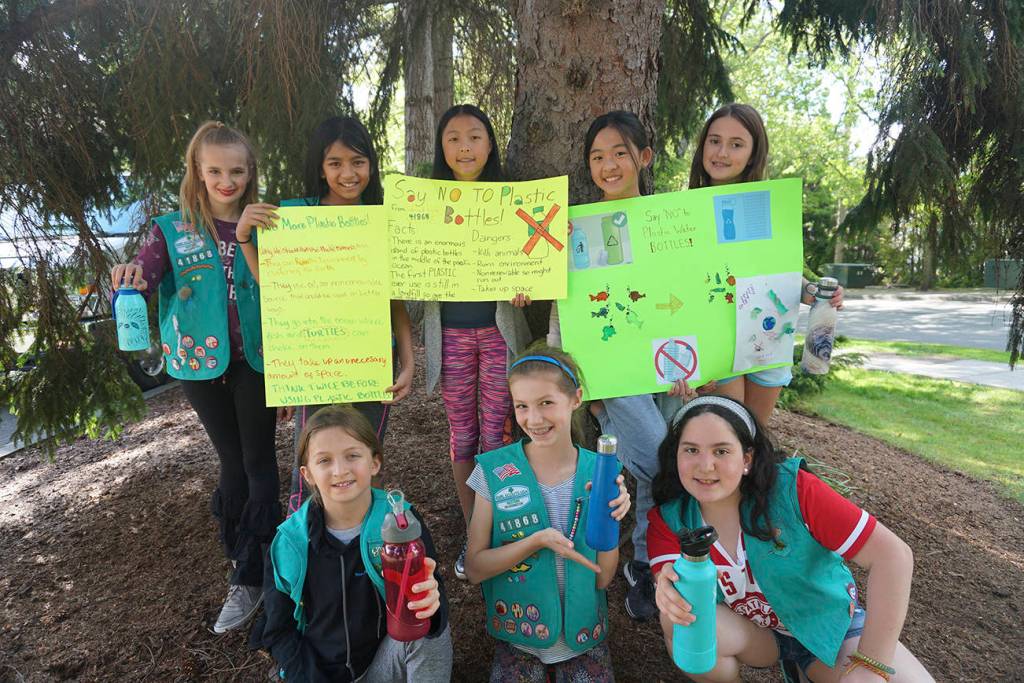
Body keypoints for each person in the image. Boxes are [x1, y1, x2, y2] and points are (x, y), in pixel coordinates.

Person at [110, 121, 282, 633]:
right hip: (197, 363)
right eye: (215, 171)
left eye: (237, 171)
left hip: (256, 359)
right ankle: (244, 565)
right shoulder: (171, 229)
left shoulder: (268, 223)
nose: (227, 181)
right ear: (198, 172)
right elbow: (144, 278)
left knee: (259, 459)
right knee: (231, 461)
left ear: (251, 172)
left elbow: (296, 287)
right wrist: (128, 280)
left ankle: (264, 568)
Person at [647, 395, 934, 682]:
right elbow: (669, 585)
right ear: (676, 456)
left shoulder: (793, 490)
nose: (705, 465)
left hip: (829, 627)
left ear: (747, 459)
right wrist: (666, 588)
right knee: (677, 618)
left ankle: (812, 670)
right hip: (756, 637)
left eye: (721, 451)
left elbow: (893, 555)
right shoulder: (670, 519)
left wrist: (872, 667)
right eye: (691, 450)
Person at [232, 115, 415, 516]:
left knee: (365, 459)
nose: (348, 174)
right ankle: (306, 548)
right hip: (314, 366)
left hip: (370, 362)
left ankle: (364, 544)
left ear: (371, 165)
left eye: (358, 162)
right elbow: (276, 285)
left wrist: (408, 362)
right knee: (313, 467)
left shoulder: (381, 220)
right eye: (335, 163)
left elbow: (394, 300)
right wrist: (244, 237)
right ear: (320, 167)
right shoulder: (295, 220)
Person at [554, 110, 676, 622]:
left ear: (643, 157)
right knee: (663, 460)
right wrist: (574, 376)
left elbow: (690, 287)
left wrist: (701, 363)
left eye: (620, 153)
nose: (608, 165)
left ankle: (648, 563)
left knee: (659, 463)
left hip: (671, 367)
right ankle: (656, 559)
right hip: (611, 373)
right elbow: (564, 303)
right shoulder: (576, 226)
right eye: (597, 156)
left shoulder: (668, 219)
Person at [463, 346, 631, 682]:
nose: (534, 419)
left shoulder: (601, 474)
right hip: (519, 637)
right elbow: (475, 568)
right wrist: (536, 541)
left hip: (583, 638)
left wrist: (611, 521)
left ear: (576, 399)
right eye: (522, 406)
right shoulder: (494, 472)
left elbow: (602, 579)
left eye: (546, 403)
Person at [253, 405, 452, 682]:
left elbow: (433, 599)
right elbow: (279, 630)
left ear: (374, 463)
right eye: (324, 460)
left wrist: (432, 604)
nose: (340, 470)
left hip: (383, 666)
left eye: (352, 456)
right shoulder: (290, 543)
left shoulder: (400, 524)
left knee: (426, 629)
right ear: (307, 474)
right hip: (320, 674)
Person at [423, 104, 532, 580]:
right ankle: (474, 533)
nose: (464, 147)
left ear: (490, 145)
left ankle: (500, 528)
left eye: (474, 137)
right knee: (463, 434)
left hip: (497, 333)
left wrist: (530, 282)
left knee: (497, 433)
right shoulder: (424, 206)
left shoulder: (513, 202)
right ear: (441, 148)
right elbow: (412, 277)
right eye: (453, 138)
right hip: (450, 335)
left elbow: (536, 265)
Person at [686, 103, 845, 425]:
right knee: (728, 432)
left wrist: (813, 292)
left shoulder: (770, 208)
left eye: (736, 144)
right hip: (717, 340)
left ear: (753, 154)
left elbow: (780, 273)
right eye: (714, 141)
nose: (722, 152)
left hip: (767, 336)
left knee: (753, 436)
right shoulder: (682, 212)